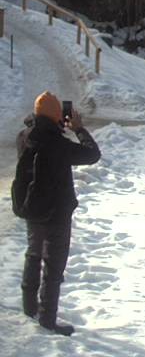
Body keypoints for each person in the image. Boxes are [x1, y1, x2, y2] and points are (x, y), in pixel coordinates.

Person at [15, 91, 101, 336]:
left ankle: (29, 306)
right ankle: (48, 319)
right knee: (53, 266)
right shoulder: (59, 144)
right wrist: (78, 128)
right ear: (56, 116)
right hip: (57, 213)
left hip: (32, 208)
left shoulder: (24, 137)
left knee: (33, 255)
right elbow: (92, 154)